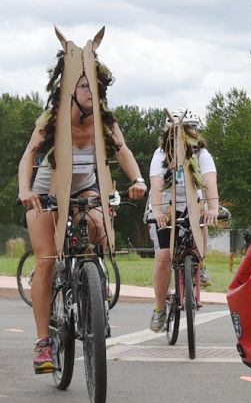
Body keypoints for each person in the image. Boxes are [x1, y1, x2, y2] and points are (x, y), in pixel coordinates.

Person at [17, 51, 145, 371]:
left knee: (98, 225)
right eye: (86, 86)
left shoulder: (105, 121)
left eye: (96, 87)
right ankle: (44, 343)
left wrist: (138, 180)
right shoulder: (53, 120)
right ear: (71, 90)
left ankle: (94, 293)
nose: (92, 92)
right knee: (46, 259)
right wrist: (25, 189)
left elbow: (123, 151)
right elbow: (29, 154)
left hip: (84, 189)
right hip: (47, 192)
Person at [148, 112, 220, 331]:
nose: (191, 133)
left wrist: (214, 207)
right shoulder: (161, 154)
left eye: (194, 128)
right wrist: (158, 211)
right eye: (186, 129)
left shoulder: (202, 154)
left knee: (201, 217)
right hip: (166, 206)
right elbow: (156, 183)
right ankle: (160, 310)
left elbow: (209, 182)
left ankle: (201, 261)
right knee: (163, 257)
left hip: (191, 204)